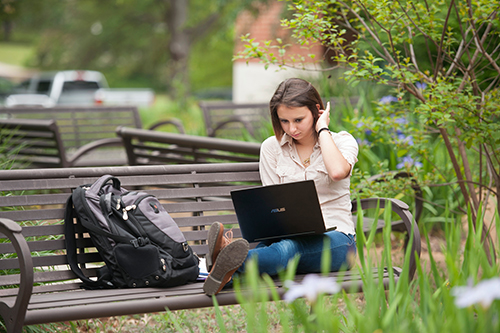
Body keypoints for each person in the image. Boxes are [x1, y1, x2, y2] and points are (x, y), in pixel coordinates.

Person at [203, 78, 359, 296]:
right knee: (279, 247)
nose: (292, 128)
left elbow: (337, 172)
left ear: (316, 110)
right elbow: (274, 205)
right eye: (284, 121)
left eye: (298, 119)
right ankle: (225, 273)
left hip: (338, 241)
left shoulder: (343, 142)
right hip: (287, 233)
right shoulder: (271, 148)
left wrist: (322, 129)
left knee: (287, 249)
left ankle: (217, 263)